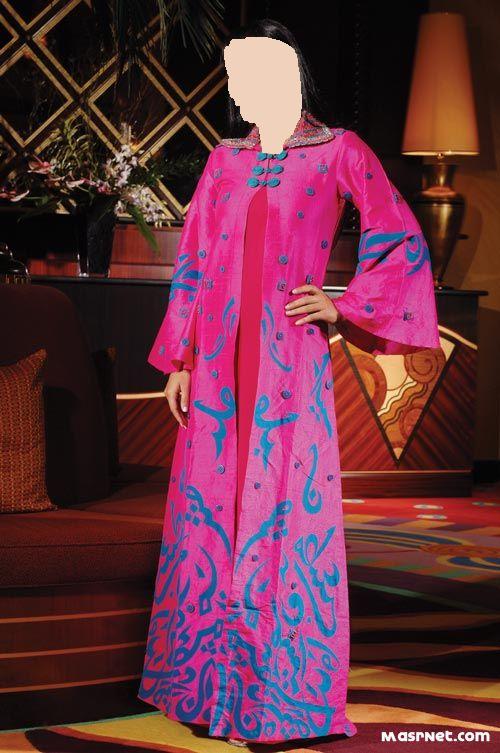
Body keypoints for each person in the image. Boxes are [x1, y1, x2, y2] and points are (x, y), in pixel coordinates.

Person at [138, 18, 441, 747]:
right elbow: (194, 262)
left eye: (243, 80)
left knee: (281, 517)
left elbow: (399, 233)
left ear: (280, 77)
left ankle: (279, 699)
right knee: (214, 514)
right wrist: (181, 358)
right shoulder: (224, 161)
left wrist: (344, 304)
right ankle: (206, 689)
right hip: (218, 367)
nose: (235, 95)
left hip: (286, 364)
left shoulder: (338, 151)